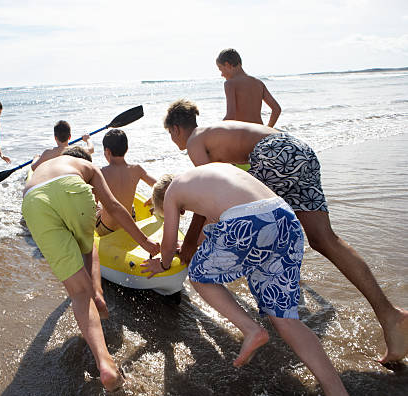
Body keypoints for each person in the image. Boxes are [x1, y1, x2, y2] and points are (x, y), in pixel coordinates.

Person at [162, 99, 408, 363]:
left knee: (255, 217)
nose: (174, 141)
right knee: (324, 240)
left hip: (273, 154)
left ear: (176, 129)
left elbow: (208, 199)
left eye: (170, 135)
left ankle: (268, 312)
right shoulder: (216, 131)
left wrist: (189, 248)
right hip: (299, 151)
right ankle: (391, 315)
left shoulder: (194, 141)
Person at [141, 164, 355, 396]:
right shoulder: (210, 178)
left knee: (199, 274)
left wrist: (164, 264)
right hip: (284, 219)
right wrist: (192, 249)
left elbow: (168, 243)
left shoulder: (171, 192)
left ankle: (252, 330)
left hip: (249, 220)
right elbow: (213, 231)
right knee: (285, 319)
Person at [21, 145, 160, 391]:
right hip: (71, 191)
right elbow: (115, 207)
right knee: (88, 247)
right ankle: (97, 296)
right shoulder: (88, 166)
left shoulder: (45, 164)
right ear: (83, 161)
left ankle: (103, 361)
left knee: (77, 292)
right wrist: (146, 242)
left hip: (33, 201)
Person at [95, 129, 157, 236]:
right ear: (127, 149)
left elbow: (94, 201)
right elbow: (160, 185)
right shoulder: (137, 169)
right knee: (130, 206)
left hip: (106, 228)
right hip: (129, 224)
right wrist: (154, 197)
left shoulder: (101, 172)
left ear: (107, 151)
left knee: (97, 207)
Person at [216, 48, 282, 127]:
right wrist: (268, 128)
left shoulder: (230, 84)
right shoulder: (258, 83)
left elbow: (230, 116)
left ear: (227, 65)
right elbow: (277, 109)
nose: (221, 75)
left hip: (244, 134)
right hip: (259, 133)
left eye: (221, 69)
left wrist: (213, 131)